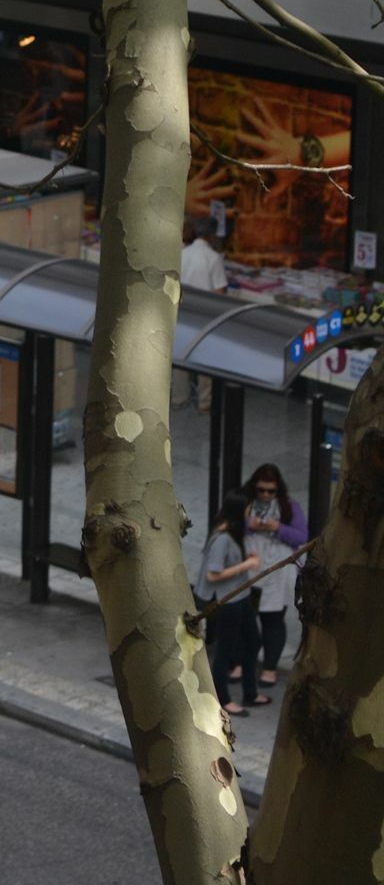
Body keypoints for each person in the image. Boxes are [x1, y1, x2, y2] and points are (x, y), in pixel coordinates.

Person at [194, 489, 264, 717]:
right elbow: (213, 575)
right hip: (226, 601)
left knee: (253, 642)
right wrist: (246, 565)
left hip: (240, 597)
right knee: (225, 650)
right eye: (248, 510)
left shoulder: (236, 534)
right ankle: (222, 698)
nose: (251, 514)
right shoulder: (222, 538)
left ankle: (250, 692)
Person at [243, 463, 307, 691]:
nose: (266, 495)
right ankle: (240, 662)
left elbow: (301, 536)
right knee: (245, 619)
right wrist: (249, 525)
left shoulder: (290, 507)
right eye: (262, 490)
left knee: (272, 621)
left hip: (277, 573)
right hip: (249, 569)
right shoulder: (244, 504)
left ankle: (269, 668)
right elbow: (229, 527)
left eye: (271, 491)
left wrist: (277, 527)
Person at [177, 217, 228, 411]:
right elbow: (220, 291)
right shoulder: (213, 258)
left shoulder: (182, 253)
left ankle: (178, 398)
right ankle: (204, 402)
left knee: (180, 355)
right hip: (204, 315)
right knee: (204, 357)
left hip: (181, 311)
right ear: (211, 235)